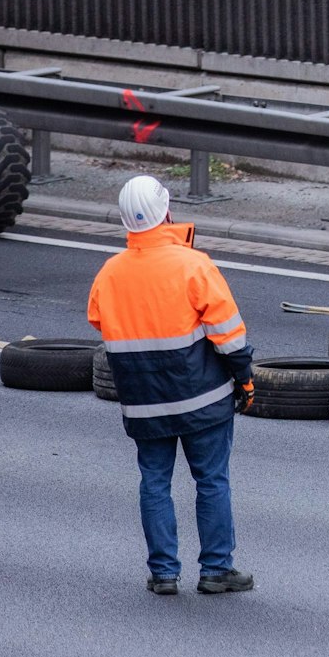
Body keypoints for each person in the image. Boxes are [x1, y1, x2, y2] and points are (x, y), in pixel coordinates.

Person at [86, 175, 256, 596]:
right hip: (202, 397)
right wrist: (245, 380)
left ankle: (163, 573)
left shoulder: (109, 274)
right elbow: (229, 335)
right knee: (211, 481)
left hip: (143, 401)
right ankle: (216, 570)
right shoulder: (193, 265)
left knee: (155, 483)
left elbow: (99, 321)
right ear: (167, 212)